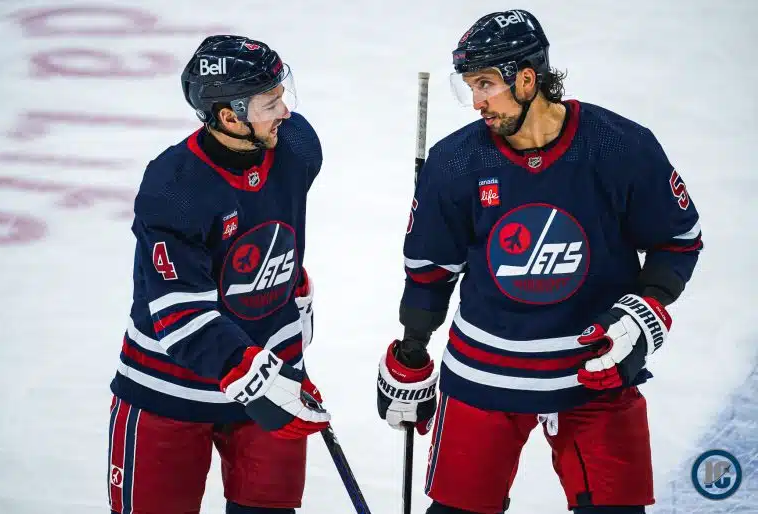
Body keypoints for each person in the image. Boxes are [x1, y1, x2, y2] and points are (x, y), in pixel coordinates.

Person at [376, 9, 703, 514]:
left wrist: (646, 310)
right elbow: (429, 271)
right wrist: (412, 349)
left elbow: (678, 240)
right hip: (484, 374)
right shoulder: (455, 162)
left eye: (486, 84)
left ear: (527, 79)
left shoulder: (620, 147)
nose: (477, 102)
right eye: (469, 86)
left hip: (594, 371)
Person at [107, 35, 330, 514]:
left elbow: (272, 225)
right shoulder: (175, 186)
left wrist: (290, 327)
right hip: (169, 390)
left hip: (272, 376)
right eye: (270, 104)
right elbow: (181, 314)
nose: (286, 112)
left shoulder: (297, 146)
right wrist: (261, 377)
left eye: (282, 96)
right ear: (230, 117)